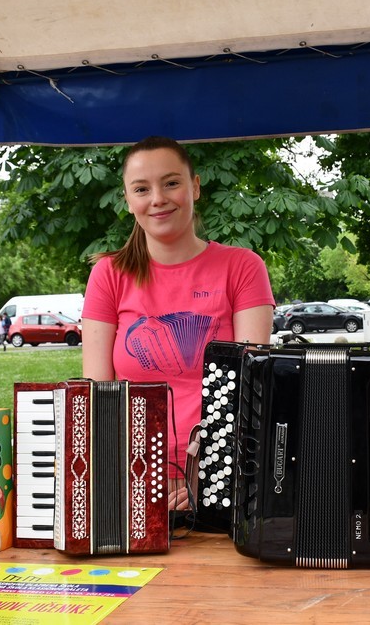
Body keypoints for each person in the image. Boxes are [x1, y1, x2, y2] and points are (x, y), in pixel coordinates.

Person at [82, 136, 274, 511]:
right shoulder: (109, 274)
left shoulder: (243, 267)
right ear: (128, 200)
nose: (157, 198)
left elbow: (253, 388)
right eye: (142, 188)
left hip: (226, 473)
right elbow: (97, 395)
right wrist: (123, 474)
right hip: (131, 473)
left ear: (195, 187)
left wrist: (213, 471)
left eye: (171, 183)